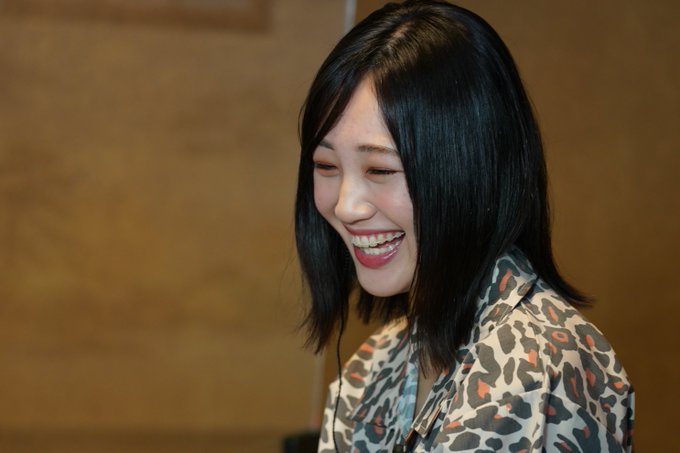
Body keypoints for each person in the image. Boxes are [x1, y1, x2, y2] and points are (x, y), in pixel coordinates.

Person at [294, 1, 635, 452]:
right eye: (326, 165)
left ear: (471, 169)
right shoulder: (371, 368)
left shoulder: (540, 364)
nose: (346, 205)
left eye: (380, 170)